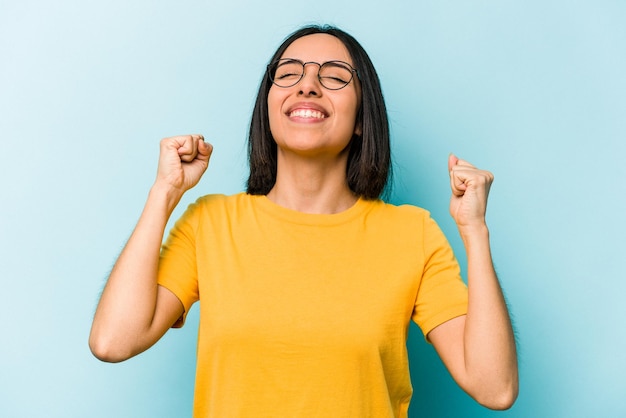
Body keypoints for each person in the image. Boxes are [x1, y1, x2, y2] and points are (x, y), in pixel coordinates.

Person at [89, 25, 518, 417]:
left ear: (361, 121)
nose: (308, 86)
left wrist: (474, 231)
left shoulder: (413, 234)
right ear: (270, 107)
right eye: (289, 73)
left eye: (334, 77)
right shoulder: (210, 224)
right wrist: (163, 194)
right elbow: (112, 341)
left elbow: (494, 388)